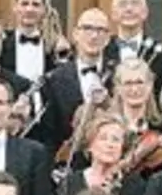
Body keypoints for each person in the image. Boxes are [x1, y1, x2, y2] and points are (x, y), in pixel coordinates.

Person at [36, 8, 113, 157]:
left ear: (108, 38)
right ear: (75, 34)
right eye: (87, 28)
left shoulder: (118, 74)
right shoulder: (53, 79)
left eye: (100, 30)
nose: (94, 35)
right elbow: (50, 135)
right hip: (68, 164)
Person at [105, 0, 162, 103]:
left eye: (135, 3)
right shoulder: (102, 50)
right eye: (123, 4)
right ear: (113, 14)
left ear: (145, 12)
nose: (129, 9)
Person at [0, 0, 63, 84]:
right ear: (15, 7)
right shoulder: (1, 44)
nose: (29, 9)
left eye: (36, 4)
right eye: (24, 4)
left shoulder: (55, 47)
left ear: (44, 9)